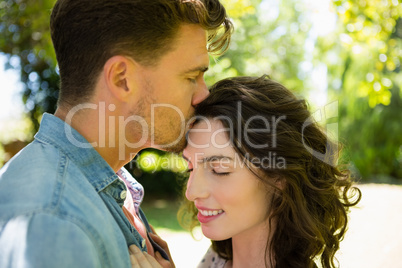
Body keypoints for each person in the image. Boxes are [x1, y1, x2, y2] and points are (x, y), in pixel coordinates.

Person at [0, 0, 233, 267]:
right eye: (192, 77)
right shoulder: (54, 223)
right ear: (122, 79)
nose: (204, 95)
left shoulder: (110, 182)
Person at [179, 75, 362, 268]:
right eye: (190, 167)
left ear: (279, 176)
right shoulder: (215, 260)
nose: (191, 193)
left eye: (219, 170)